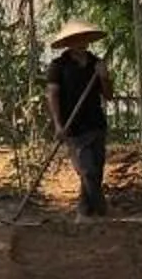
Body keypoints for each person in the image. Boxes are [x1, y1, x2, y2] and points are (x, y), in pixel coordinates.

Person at [44, 21, 110, 217]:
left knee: (96, 171)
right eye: (75, 39)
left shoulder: (96, 63)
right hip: (73, 127)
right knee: (86, 170)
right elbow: (52, 95)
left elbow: (109, 95)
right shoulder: (58, 66)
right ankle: (101, 209)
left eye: (83, 38)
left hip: (96, 123)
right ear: (68, 42)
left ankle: (84, 210)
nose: (81, 42)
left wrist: (104, 77)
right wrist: (58, 124)